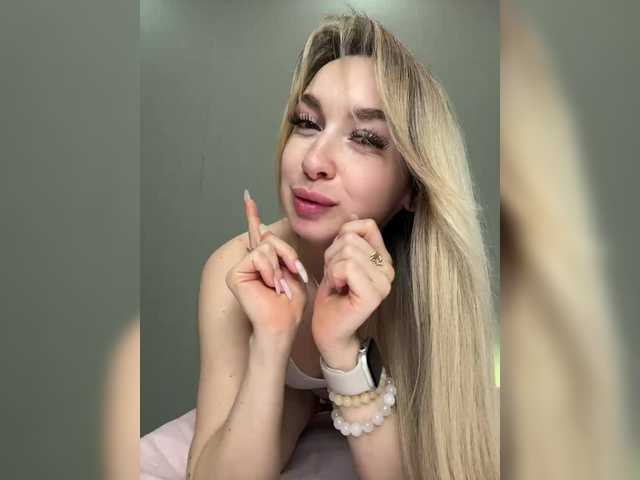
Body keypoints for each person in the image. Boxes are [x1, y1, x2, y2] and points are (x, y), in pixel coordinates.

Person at [187, 11, 498, 480]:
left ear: (413, 188)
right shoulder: (236, 269)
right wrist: (270, 342)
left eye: (365, 138)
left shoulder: (431, 283)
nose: (313, 160)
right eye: (307, 122)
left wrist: (341, 349)